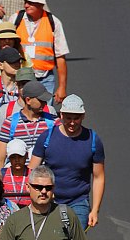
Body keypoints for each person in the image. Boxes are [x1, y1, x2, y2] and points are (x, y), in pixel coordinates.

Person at [29, 93, 106, 230]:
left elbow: (98, 177)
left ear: (83, 116)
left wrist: (95, 210)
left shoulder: (93, 140)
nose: (72, 123)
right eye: (68, 118)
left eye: (76, 118)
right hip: (49, 199)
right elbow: (32, 170)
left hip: (78, 201)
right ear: (61, 115)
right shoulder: (47, 138)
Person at [12, 0, 69, 103]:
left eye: (30, 3)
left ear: (40, 4)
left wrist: (62, 87)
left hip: (45, 78)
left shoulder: (54, 23)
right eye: (25, 2)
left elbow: (60, 57)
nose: (26, 5)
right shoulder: (15, 19)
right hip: (21, 78)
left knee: (46, 112)